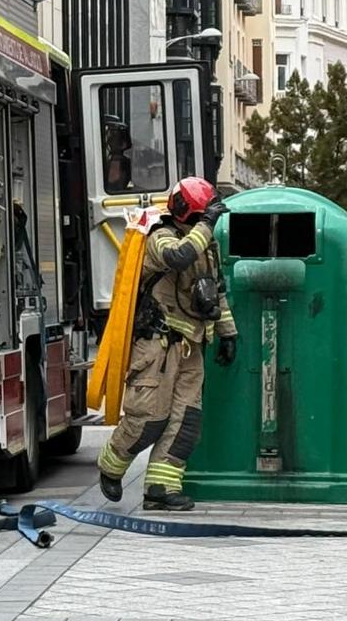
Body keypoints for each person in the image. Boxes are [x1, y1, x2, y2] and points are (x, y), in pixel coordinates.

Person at [97, 177, 239, 511]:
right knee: (149, 418)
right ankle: (110, 464)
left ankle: (161, 488)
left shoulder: (207, 244)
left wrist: (228, 333)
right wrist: (206, 225)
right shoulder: (159, 236)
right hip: (157, 346)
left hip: (192, 345)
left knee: (186, 420)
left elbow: (216, 291)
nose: (208, 221)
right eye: (203, 215)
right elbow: (178, 257)